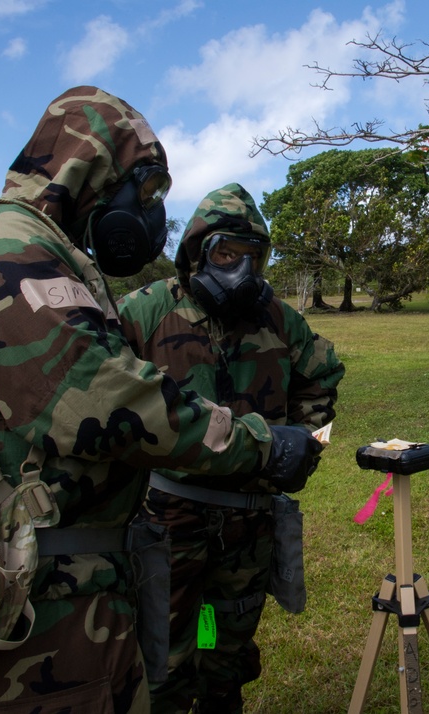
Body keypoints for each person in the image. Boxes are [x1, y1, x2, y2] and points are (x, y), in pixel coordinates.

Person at [0, 86, 322, 714]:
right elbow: (103, 405)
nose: (152, 212)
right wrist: (260, 445)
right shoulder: (0, 244)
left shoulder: (48, 254)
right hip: (44, 597)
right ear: (95, 168)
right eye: (148, 188)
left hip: (78, 581)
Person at [117, 183, 345, 714]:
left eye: (252, 256)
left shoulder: (279, 318)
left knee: (229, 652)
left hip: (249, 521)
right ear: (197, 251)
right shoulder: (144, 313)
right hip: (164, 519)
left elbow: (321, 379)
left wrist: (302, 445)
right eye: (225, 254)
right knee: (162, 656)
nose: (240, 269)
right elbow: (108, 399)